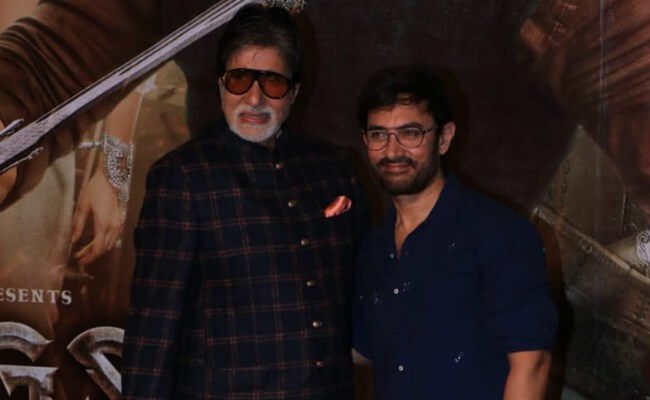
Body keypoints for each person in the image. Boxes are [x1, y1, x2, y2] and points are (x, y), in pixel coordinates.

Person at [120, 5, 367, 399]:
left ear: (294, 92)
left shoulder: (332, 169)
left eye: (273, 82)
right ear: (221, 86)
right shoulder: (184, 176)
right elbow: (154, 327)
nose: (254, 98)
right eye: (239, 80)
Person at [352, 65, 558, 399]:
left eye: (411, 133)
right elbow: (363, 350)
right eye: (378, 135)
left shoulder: (498, 234)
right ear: (365, 141)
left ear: (444, 138)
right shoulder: (374, 247)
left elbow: (531, 363)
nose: (392, 151)